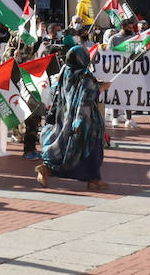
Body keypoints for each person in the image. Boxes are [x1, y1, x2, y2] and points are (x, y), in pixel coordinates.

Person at [35, 46, 109, 191]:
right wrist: (103, 87)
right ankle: (94, 179)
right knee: (91, 148)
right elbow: (87, 97)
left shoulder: (66, 70)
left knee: (65, 147)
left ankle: (47, 169)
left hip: (64, 115)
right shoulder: (86, 76)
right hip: (84, 119)